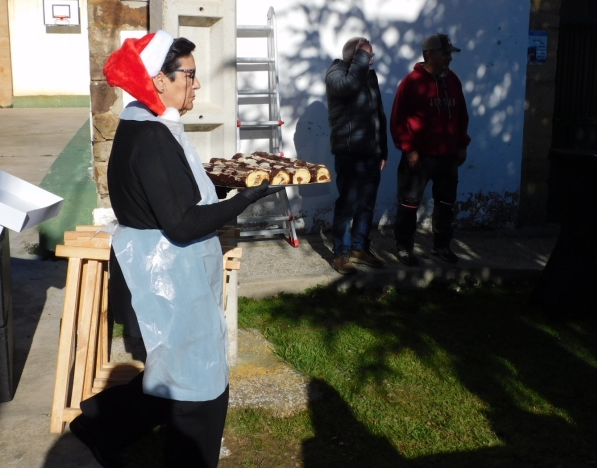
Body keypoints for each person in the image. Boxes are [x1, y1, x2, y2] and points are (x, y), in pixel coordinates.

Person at [69, 32, 280, 468]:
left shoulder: (148, 122)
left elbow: (170, 189)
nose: (196, 84)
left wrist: (227, 181)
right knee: (200, 383)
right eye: (189, 74)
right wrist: (244, 199)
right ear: (158, 79)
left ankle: (101, 422)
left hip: (162, 265)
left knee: (174, 367)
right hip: (169, 271)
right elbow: (182, 224)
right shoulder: (151, 137)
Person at [390, 33, 471, 266]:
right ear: (430, 55)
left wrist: (462, 144)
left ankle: (441, 246)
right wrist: (409, 148)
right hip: (419, 156)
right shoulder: (411, 82)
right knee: (409, 203)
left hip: (448, 155)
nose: (449, 58)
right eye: (445, 53)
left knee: (446, 203)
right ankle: (404, 247)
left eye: (449, 53)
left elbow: (461, 115)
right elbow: (398, 119)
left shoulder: (453, 80)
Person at [326, 36, 389, 275]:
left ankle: (359, 249)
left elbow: (378, 115)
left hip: (371, 153)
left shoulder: (369, 76)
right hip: (349, 152)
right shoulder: (336, 73)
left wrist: (383, 149)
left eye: (371, 56)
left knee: (367, 205)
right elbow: (348, 86)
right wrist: (361, 57)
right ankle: (340, 254)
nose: (372, 60)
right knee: (347, 205)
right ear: (355, 57)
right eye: (368, 56)